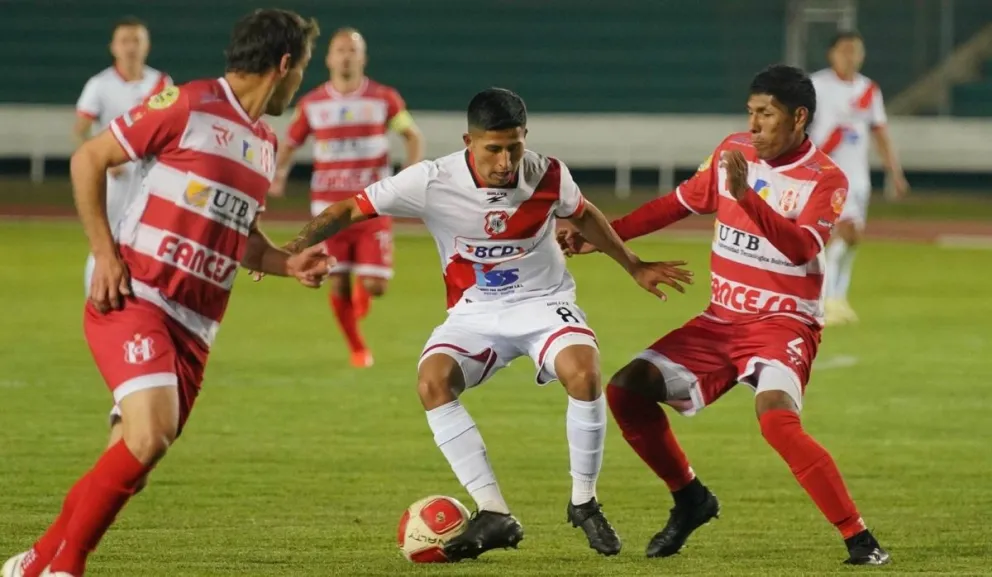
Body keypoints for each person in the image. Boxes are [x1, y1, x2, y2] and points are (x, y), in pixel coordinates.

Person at [281, 87, 692, 561]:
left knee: (585, 372)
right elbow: (350, 208)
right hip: (475, 312)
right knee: (432, 382)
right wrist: (292, 247)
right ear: (468, 142)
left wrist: (633, 264)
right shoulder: (432, 180)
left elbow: (585, 215)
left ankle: (584, 500)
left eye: (513, 147)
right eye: (492, 148)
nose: (504, 161)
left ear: (525, 139)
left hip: (542, 302)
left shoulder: (547, 173)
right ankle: (494, 511)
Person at [2, 10, 326, 577]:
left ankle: (35, 562)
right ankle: (63, 569)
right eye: (302, 69)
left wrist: (289, 262)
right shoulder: (188, 103)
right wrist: (104, 253)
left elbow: (243, 241)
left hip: (196, 330)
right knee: (148, 436)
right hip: (138, 297)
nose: (300, 81)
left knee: (132, 458)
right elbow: (89, 158)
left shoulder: (264, 144)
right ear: (283, 66)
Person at [559, 65, 890, 566]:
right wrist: (606, 236)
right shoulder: (732, 149)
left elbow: (802, 247)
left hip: (783, 323)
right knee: (626, 390)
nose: (754, 125)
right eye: (751, 113)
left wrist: (747, 196)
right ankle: (690, 497)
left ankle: (859, 539)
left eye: (767, 114)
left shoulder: (825, 178)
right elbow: (675, 205)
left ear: (798, 118)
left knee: (777, 423)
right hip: (721, 320)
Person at [269, 27, 425, 368]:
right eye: (340, 50)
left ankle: (363, 298)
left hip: (372, 204)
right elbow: (291, 143)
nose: (346, 56)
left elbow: (412, 135)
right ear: (329, 58)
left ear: (363, 58)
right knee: (336, 283)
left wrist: (409, 173)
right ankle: (357, 349)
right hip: (328, 210)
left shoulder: (384, 98)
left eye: (353, 50)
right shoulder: (312, 104)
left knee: (377, 285)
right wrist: (278, 175)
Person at [810, 31, 909, 325]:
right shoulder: (816, 85)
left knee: (854, 237)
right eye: (844, 50)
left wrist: (895, 171)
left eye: (855, 50)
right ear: (832, 54)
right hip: (826, 173)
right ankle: (825, 299)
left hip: (858, 177)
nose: (850, 55)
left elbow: (880, 132)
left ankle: (838, 297)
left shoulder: (869, 90)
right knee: (840, 231)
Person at [74, 16, 173, 295]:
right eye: (125, 41)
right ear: (113, 47)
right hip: (115, 179)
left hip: (150, 177)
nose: (131, 47)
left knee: (150, 236)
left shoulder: (161, 83)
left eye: (136, 40)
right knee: (107, 238)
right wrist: (104, 159)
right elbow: (80, 130)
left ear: (146, 46)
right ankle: (95, 291)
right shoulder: (100, 84)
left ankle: (142, 295)